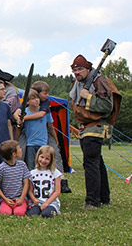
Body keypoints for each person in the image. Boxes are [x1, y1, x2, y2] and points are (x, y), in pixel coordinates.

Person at [70, 54, 120, 209]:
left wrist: (89, 97)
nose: (77, 73)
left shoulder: (99, 81)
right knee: (97, 162)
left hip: (96, 126)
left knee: (91, 163)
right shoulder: (80, 84)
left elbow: (107, 106)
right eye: (75, 70)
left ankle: (92, 201)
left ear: (88, 69)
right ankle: (104, 197)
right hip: (87, 127)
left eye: (80, 70)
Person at [17, 81, 72, 193]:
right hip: (29, 140)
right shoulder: (26, 105)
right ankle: (24, 184)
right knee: (23, 156)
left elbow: (43, 117)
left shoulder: (45, 103)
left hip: (43, 137)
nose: (47, 96)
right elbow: (17, 112)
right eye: (45, 93)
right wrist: (19, 118)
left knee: (54, 153)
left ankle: (61, 181)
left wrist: (24, 118)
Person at [13, 89, 52, 170]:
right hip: (30, 144)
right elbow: (18, 126)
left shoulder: (44, 111)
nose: (36, 100)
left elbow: (50, 126)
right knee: (31, 168)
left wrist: (55, 139)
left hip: (43, 143)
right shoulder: (24, 112)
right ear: (27, 102)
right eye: (33, 98)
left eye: (37, 98)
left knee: (44, 166)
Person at [0, 140, 31, 216]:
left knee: (19, 213)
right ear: (14, 154)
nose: (21, 150)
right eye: (19, 148)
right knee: (5, 213)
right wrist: (5, 199)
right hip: (6, 199)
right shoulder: (1, 168)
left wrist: (22, 198)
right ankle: (2, 207)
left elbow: (26, 183)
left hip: (20, 198)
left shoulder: (22, 165)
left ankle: (24, 205)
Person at [27, 145, 61, 218]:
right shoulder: (32, 173)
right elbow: (30, 190)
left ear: (51, 160)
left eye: (47, 159)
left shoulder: (55, 173)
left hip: (51, 202)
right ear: (38, 156)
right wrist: (34, 199)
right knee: (32, 214)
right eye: (42, 157)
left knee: (46, 215)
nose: (43, 160)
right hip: (37, 202)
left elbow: (57, 191)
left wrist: (47, 203)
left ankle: (55, 210)